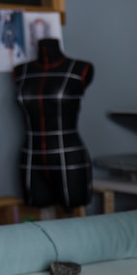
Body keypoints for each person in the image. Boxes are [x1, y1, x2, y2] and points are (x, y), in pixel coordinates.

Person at [12, 38, 94, 211]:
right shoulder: (21, 72)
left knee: (75, 220)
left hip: (68, 152)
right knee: (38, 219)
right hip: (31, 154)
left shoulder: (79, 69)